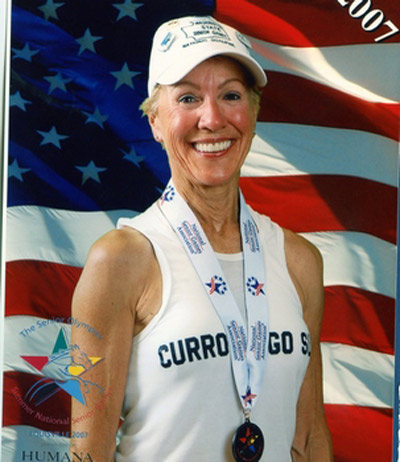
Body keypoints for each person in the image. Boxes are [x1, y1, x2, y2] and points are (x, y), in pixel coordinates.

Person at [70, 15, 333, 462]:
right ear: (155, 120)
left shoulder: (298, 260)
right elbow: (87, 451)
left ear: (252, 112)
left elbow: (307, 440)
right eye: (188, 98)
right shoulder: (120, 260)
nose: (212, 119)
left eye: (231, 95)